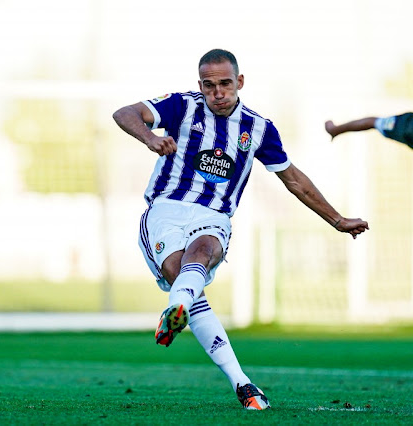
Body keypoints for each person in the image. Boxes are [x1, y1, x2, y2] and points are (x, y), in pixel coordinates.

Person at [112, 48, 369, 410]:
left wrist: (338, 220)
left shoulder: (259, 128)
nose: (217, 92)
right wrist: (150, 138)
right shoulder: (181, 106)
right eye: (209, 85)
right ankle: (239, 379)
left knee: (200, 255)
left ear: (240, 82)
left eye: (225, 84)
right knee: (180, 275)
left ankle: (185, 318)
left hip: (213, 214)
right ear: (199, 84)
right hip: (166, 209)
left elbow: (293, 179)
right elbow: (124, 113)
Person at [325, 113, 413, 148]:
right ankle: (334, 130)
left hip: (408, 128)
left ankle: (334, 130)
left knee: (374, 122)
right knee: (374, 122)